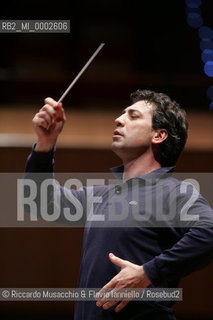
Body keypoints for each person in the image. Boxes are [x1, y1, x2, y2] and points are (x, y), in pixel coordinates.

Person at [25, 90, 213, 320]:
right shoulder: (103, 196)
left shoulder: (174, 192)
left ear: (158, 135)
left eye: (133, 116)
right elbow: (40, 202)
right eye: (122, 113)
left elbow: (209, 232)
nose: (119, 119)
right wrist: (45, 145)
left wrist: (147, 273)